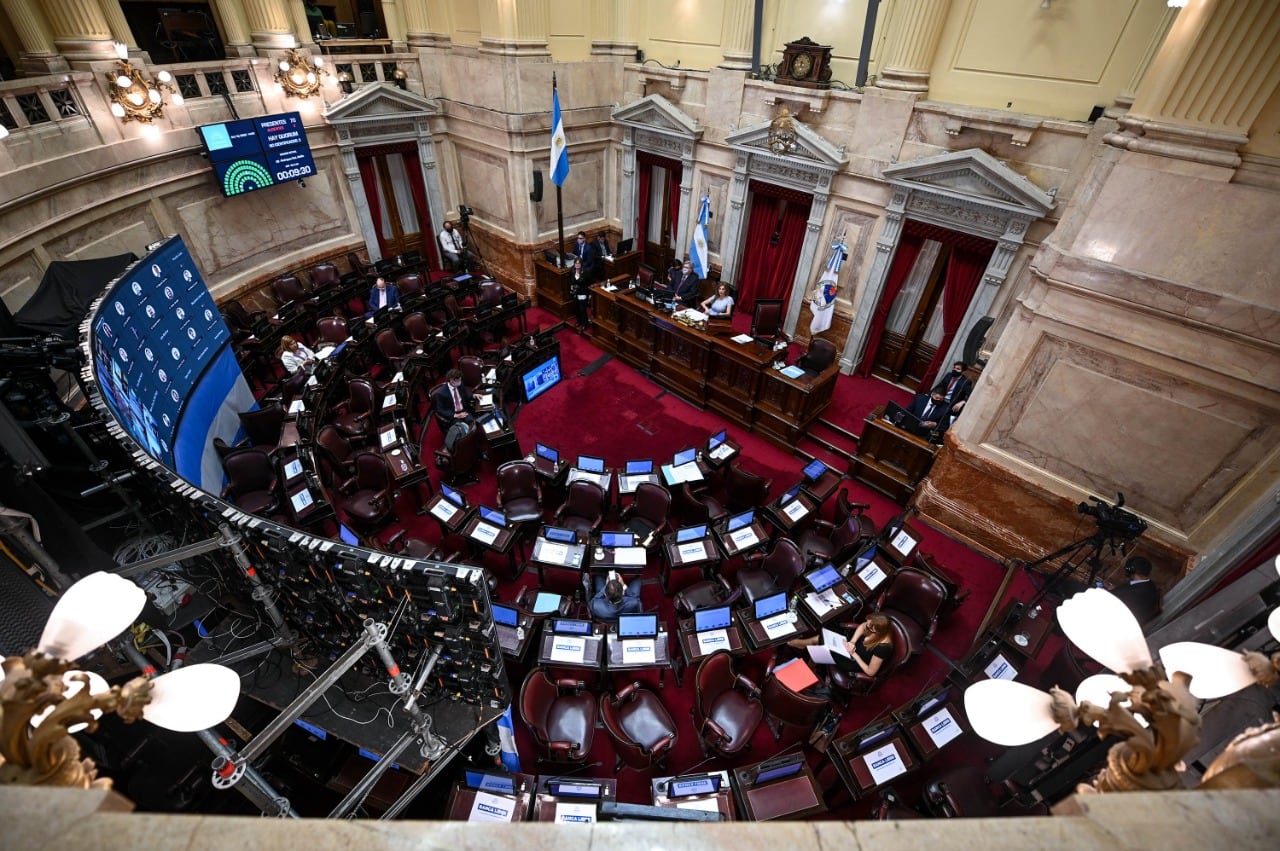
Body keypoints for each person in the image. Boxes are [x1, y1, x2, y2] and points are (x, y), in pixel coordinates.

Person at [787, 612, 895, 680]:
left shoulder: (884, 647)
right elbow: (862, 626)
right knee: (824, 638)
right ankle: (810, 666)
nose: (866, 627)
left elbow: (870, 672)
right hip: (851, 648)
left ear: (876, 631)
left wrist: (854, 654)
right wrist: (852, 642)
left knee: (822, 643)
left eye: (869, 627)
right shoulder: (878, 629)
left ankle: (804, 652)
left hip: (853, 661)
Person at [1110, 556, 1161, 625]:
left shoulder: (1129, 593)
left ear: (1130, 571)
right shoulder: (1151, 585)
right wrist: (1115, 589)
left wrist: (1114, 592)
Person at [569, 256, 591, 332]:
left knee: (583, 310)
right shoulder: (572, 272)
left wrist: (589, 294)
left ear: (581, 264)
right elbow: (571, 282)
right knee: (577, 309)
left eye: (579, 263)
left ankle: (585, 324)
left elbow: (589, 284)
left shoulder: (585, 273)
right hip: (575, 294)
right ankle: (579, 321)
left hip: (583, 294)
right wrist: (571, 287)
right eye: (576, 263)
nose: (577, 265)